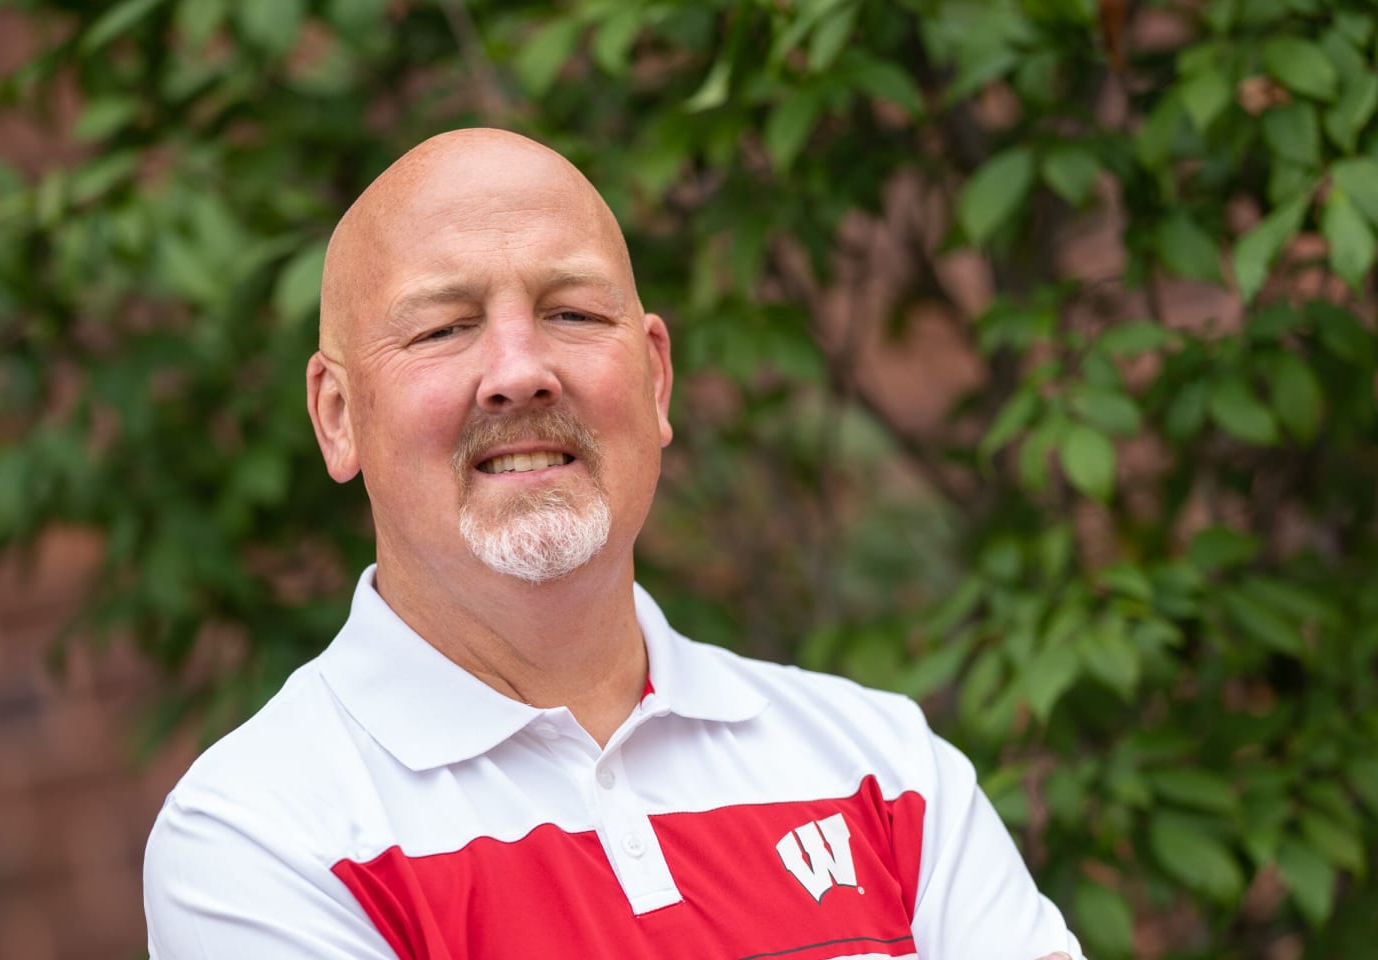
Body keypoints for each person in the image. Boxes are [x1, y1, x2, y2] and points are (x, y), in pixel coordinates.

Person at [143, 128, 1084, 960]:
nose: (519, 373)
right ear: (338, 417)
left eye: (573, 314)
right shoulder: (260, 837)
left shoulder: (886, 772)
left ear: (657, 378)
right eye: (444, 327)